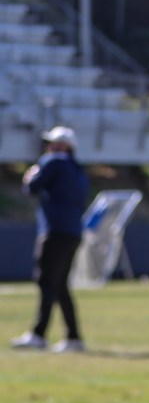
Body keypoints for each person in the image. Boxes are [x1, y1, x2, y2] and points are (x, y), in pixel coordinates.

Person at [11, 126, 90, 353]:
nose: (49, 147)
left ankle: (38, 335)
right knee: (60, 285)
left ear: (63, 146)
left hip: (54, 231)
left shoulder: (54, 161)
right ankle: (73, 338)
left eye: (53, 143)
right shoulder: (78, 169)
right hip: (73, 232)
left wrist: (29, 177)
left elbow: (32, 187)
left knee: (46, 281)